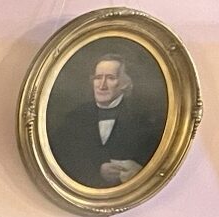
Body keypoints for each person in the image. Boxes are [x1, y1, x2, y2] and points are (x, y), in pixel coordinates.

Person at [50, 53, 163, 189]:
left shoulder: (142, 118)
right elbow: (61, 157)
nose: (102, 85)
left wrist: (139, 171)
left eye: (111, 78)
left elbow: (155, 162)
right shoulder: (75, 117)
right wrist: (98, 169)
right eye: (98, 78)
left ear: (125, 83)